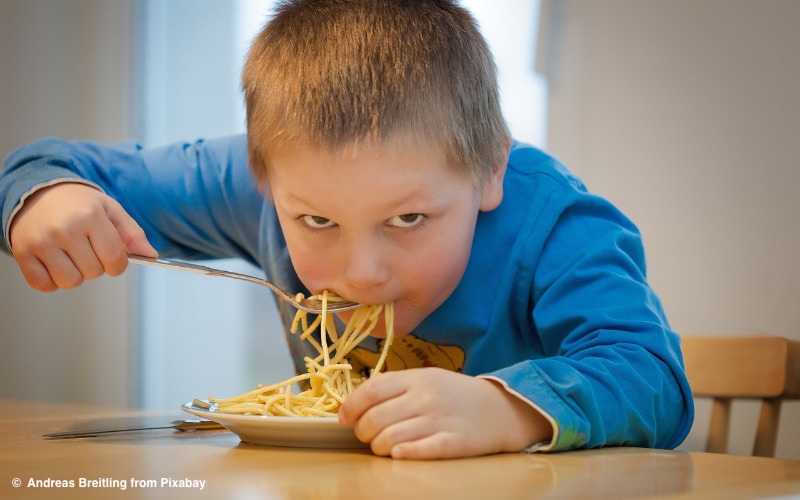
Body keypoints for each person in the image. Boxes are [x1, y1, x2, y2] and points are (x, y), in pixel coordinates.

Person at [0, 0, 693, 459]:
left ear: (489, 172)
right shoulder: (263, 183)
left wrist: (505, 411)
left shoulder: (553, 225)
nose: (360, 271)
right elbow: (51, 165)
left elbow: (654, 376)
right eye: (316, 221)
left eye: (409, 219)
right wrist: (47, 196)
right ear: (264, 178)